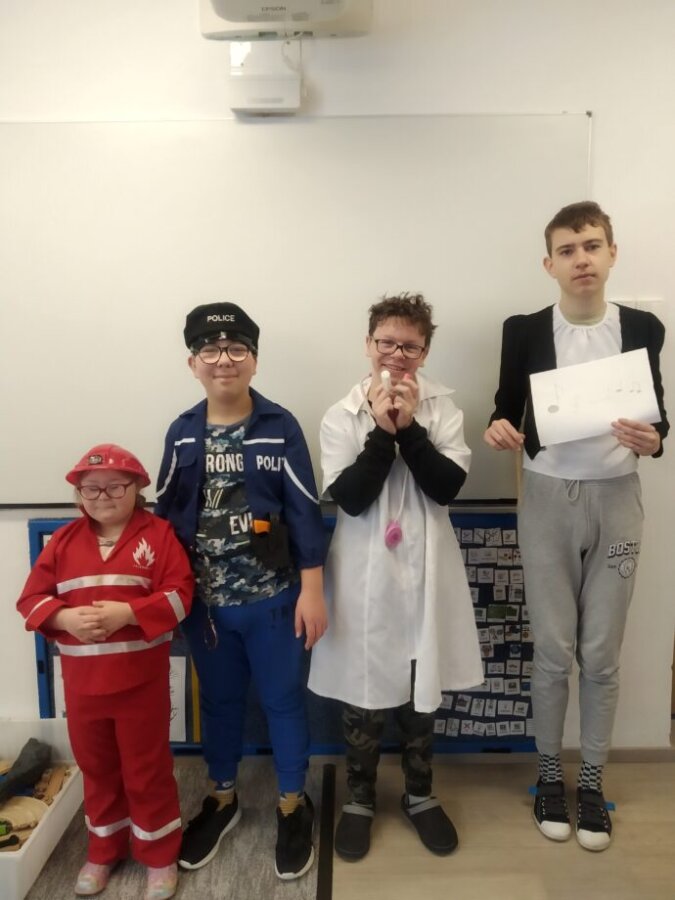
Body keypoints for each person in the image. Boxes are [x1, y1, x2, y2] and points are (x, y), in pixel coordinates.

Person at [484, 201, 669, 851]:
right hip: (546, 498)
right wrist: (498, 428)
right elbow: (504, 410)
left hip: (617, 498)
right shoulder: (524, 330)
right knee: (553, 650)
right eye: (567, 250)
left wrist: (655, 440)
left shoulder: (642, 327)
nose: (581, 259)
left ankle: (589, 780)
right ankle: (548, 777)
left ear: (612, 253)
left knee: (601, 653)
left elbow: (657, 416)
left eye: (591, 246)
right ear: (549, 264)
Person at [154, 302, 327, 881]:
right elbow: (166, 515)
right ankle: (222, 796)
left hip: (274, 601)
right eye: (210, 349)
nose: (223, 359)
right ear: (193, 362)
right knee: (220, 702)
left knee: (282, 700)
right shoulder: (182, 432)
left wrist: (312, 590)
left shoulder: (280, 426)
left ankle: (292, 803)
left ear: (254, 360)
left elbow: (304, 510)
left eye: (236, 349)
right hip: (206, 608)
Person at [308, 293, 483, 861]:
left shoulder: (444, 409)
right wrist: (383, 432)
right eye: (387, 343)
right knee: (363, 685)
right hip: (364, 571)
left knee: (420, 686)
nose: (397, 355)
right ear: (368, 345)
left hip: (425, 569)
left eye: (410, 346)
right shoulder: (340, 415)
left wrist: (410, 430)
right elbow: (351, 497)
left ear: (425, 351)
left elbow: (446, 486)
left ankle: (419, 794)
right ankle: (360, 799)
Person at [17, 444, 193, 900]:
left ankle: (159, 855)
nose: (103, 496)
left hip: (141, 686)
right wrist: (63, 618)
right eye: (91, 488)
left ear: (137, 489)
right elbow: (30, 600)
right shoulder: (63, 542)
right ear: (78, 494)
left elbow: (180, 596)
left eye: (116, 486)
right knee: (96, 769)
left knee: (147, 770)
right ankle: (103, 849)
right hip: (83, 688)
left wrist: (129, 613)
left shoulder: (159, 535)